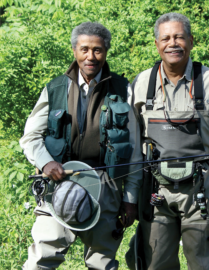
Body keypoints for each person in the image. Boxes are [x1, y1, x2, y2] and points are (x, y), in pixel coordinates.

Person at [129, 13, 209, 270]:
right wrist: (129, 196)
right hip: (154, 193)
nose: (172, 43)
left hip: (202, 192)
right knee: (155, 263)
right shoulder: (141, 84)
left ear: (191, 41)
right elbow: (131, 147)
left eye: (179, 37)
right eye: (166, 38)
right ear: (157, 44)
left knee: (202, 263)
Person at [19, 21, 142, 270]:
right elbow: (30, 137)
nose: (91, 56)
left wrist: (130, 199)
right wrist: (46, 162)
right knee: (41, 259)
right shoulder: (54, 89)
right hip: (58, 182)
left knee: (102, 263)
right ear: (74, 50)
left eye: (97, 50)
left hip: (105, 186)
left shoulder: (122, 90)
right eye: (84, 49)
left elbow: (134, 149)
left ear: (106, 51)